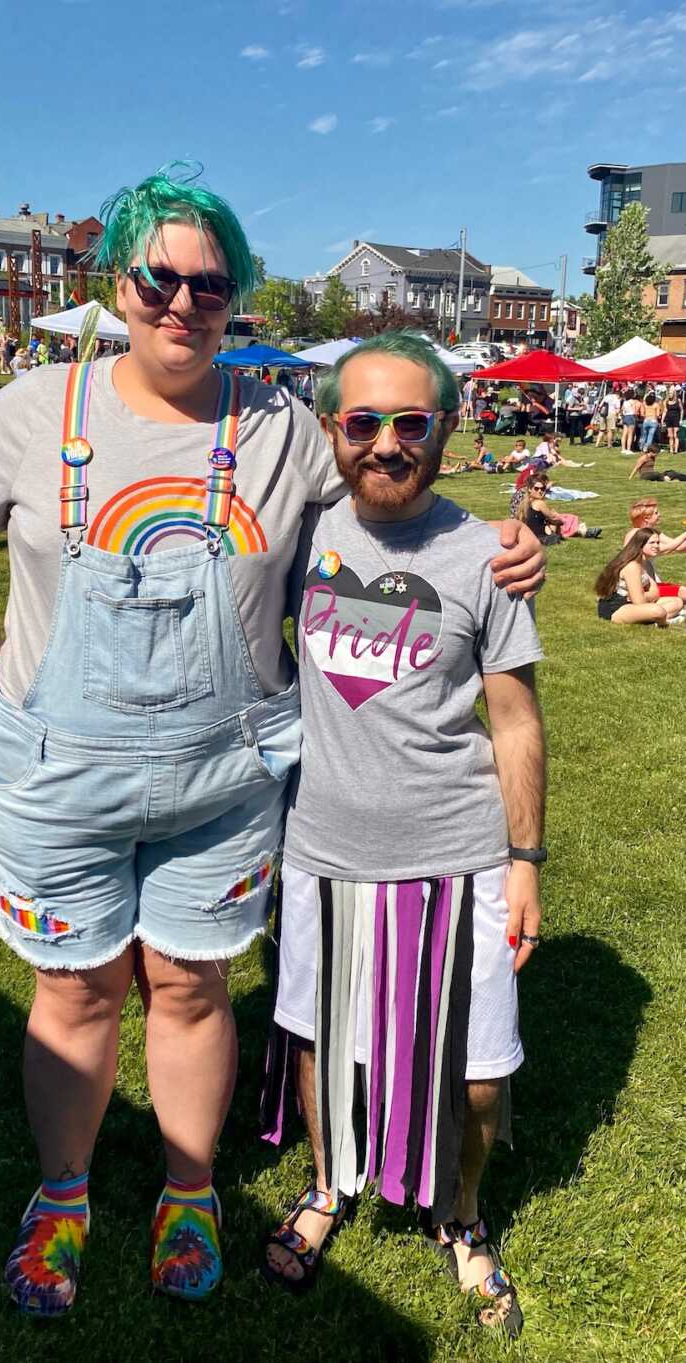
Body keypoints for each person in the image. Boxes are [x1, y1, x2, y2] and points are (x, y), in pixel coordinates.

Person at [0, 168, 544, 1320]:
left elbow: (381, 493)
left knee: (190, 988)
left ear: (232, 298)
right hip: (59, 772)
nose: (183, 301)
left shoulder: (278, 430)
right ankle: (63, 1196)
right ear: (121, 281)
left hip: (223, 776)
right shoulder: (40, 409)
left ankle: (190, 1190)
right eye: (160, 275)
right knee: (75, 993)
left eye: (211, 282)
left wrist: (497, 541)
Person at [260, 333, 545, 1342]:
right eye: (363, 422)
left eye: (410, 422)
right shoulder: (293, 534)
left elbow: (515, 720)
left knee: (478, 1071)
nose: (386, 443)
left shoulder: (486, 555)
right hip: (324, 848)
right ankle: (333, 1179)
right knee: (320, 1043)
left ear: (447, 430)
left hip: (459, 853)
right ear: (332, 429)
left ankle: (461, 1213)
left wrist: (525, 863)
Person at [594, 531, 683, 626]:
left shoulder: (643, 563)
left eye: (658, 542)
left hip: (632, 603)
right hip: (617, 607)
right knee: (658, 611)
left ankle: (655, 619)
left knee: (677, 601)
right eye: (652, 543)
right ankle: (663, 623)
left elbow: (655, 592)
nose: (656, 546)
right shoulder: (632, 566)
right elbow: (639, 602)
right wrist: (645, 596)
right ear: (640, 545)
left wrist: (643, 595)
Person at [623, 498, 686, 602]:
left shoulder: (652, 533)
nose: (659, 515)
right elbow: (666, 549)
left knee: (682, 593)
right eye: (656, 513)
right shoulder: (636, 534)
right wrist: (684, 535)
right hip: (639, 585)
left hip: (650, 582)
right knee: (682, 595)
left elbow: (677, 546)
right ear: (646, 518)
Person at [512, 472, 601, 543]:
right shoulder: (539, 503)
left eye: (543, 489)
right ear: (530, 489)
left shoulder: (525, 502)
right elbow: (553, 518)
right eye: (536, 489)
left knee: (556, 520)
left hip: (530, 535)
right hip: (541, 537)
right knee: (561, 520)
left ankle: (582, 531)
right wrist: (559, 519)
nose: (540, 491)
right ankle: (582, 531)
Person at [663, 390, 682, 455]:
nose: (670, 394)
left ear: (674, 394)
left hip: (676, 419)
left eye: (671, 393)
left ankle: (676, 450)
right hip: (668, 419)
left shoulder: (678, 400)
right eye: (669, 393)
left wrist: (681, 419)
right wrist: (662, 420)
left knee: (675, 435)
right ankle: (671, 449)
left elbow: (681, 410)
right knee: (670, 436)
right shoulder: (666, 401)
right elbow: (665, 411)